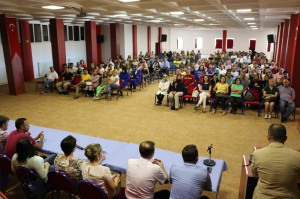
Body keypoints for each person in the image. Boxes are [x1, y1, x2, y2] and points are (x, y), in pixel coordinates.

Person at [251, 124, 300, 199]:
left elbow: (254, 174)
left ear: (268, 137)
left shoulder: (257, 154)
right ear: (285, 138)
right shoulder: (297, 156)